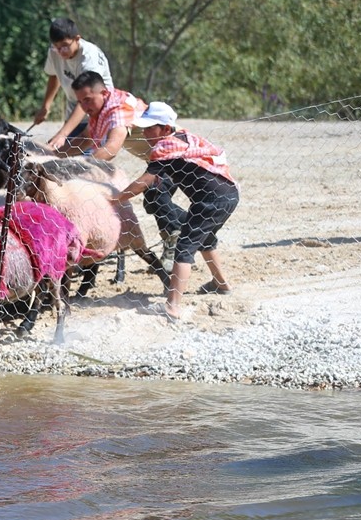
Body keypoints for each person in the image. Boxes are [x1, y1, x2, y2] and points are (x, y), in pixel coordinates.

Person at [115, 101, 239, 322]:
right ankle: (221, 283)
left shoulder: (164, 147)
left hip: (211, 200)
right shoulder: (183, 139)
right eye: (143, 127)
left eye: (150, 127)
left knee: (184, 247)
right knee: (205, 238)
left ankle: (172, 307)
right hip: (229, 194)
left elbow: (145, 180)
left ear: (165, 128)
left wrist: (116, 198)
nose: (144, 132)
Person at [34, 18, 113, 146]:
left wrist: (62, 134)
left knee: (86, 159)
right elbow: (54, 75)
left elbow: (87, 99)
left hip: (98, 112)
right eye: (57, 47)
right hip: (76, 109)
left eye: (65, 46)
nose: (61, 52)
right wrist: (46, 106)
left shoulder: (88, 59)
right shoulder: (54, 52)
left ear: (77, 39)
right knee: (61, 153)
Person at [52, 70, 148, 161]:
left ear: (104, 93)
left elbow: (110, 149)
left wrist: (82, 166)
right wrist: (52, 155)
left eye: (87, 100)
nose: (84, 107)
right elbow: (85, 139)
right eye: (80, 102)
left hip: (162, 158)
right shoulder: (102, 105)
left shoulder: (118, 110)